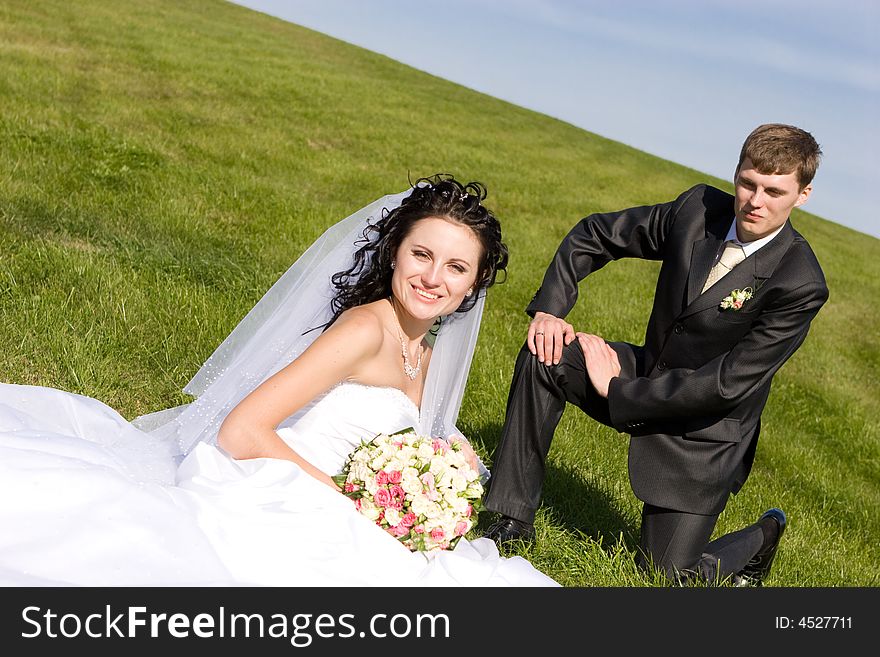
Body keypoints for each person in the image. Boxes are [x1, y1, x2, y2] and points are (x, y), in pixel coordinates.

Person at [0, 175, 558, 587]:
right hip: (277, 490)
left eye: (456, 268)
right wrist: (352, 501)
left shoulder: (427, 357)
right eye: (421, 254)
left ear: (474, 284)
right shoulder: (365, 329)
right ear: (394, 253)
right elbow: (241, 432)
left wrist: (444, 479)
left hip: (340, 501)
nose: (433, 278)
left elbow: (430, 435)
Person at [483, 124, 828, 585]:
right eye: (747, 182)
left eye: (774, 191)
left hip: (703, 434)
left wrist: (619, 389)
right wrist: (549, 309)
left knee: (664, 579)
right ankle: (512, 519)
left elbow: (726, 384)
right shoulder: (696, 211)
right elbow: (595, 234)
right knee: (545, 355)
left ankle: (763, 535)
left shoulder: (800, 282)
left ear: (802, 195)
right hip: (647, 372)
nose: (755, 201)